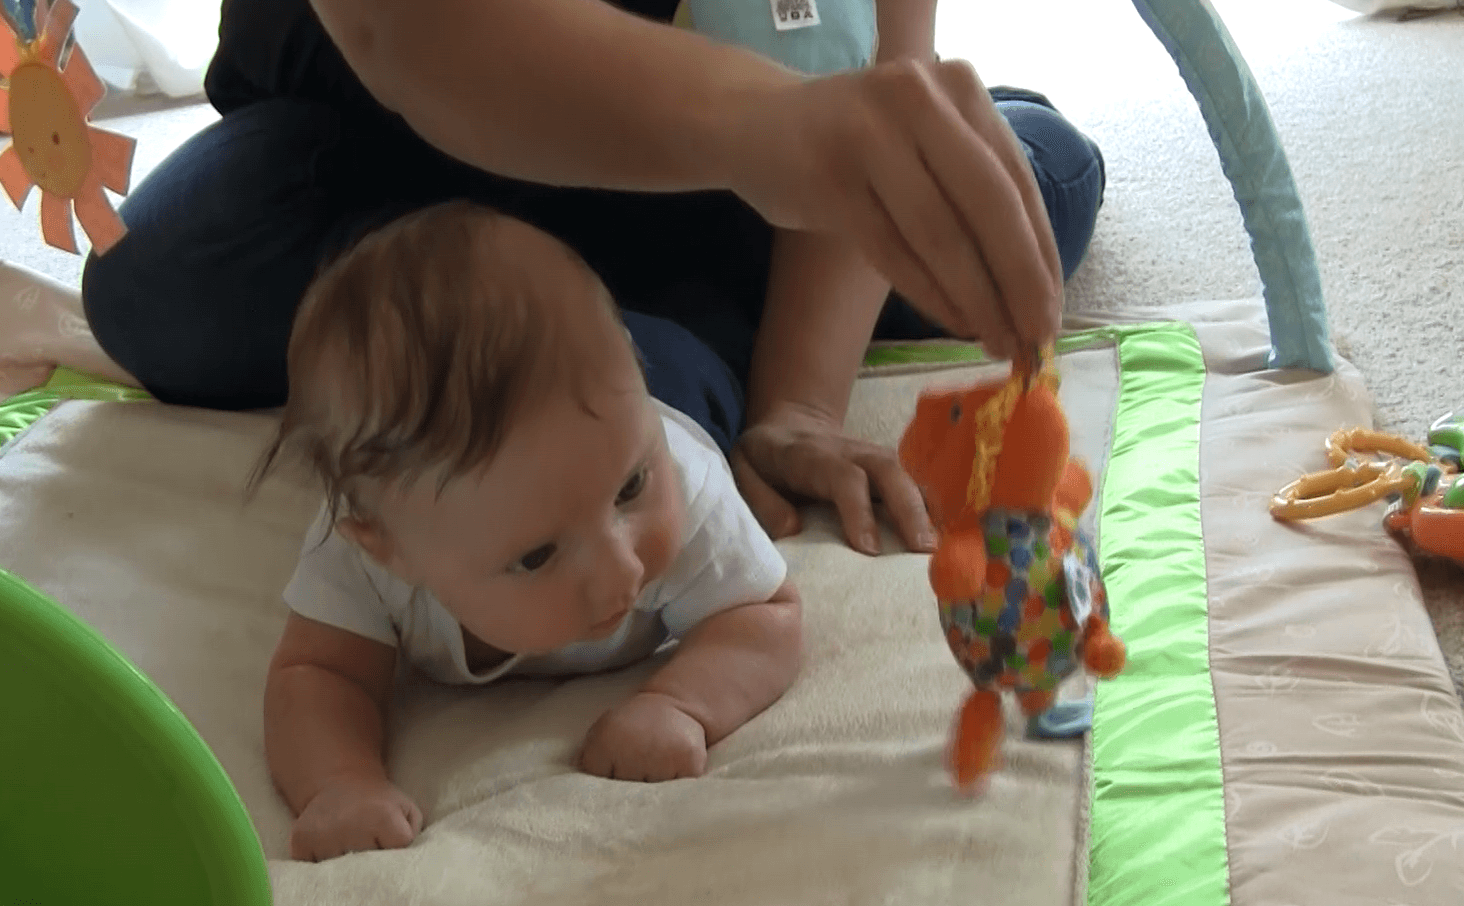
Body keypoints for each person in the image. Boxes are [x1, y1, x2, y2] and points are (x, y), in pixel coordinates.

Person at [82, 0, 1105, 558]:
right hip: (383, 135)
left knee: (1009, 193)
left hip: (733, 171)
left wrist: (800, 401)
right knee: (160, 287)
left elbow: (873, 57)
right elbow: (408, 33)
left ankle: (637, 330)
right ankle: (630, 323)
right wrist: (783, 129)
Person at [252, 201, 803, 862]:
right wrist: (339, 781)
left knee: (705, 353)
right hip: (600, 412)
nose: (622, 569)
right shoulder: (360, 553)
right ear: (387, 549)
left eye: (629, 491)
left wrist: (681, 703)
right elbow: (317, 673)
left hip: (677, 376)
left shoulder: (679, 479)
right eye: (538, 555)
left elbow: (766, 616)